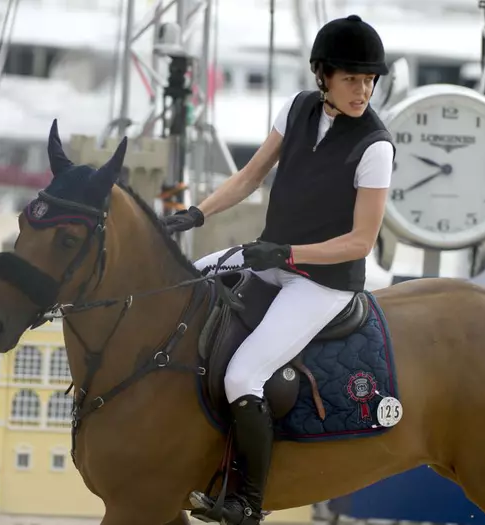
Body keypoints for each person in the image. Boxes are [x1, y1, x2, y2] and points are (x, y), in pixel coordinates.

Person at [159, 14, 396, 525]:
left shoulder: (375, 146)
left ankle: (248, 501)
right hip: (271, 259)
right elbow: (249, 176)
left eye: (370, 80)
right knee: (184, 285)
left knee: (246, 373)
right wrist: (198, 213)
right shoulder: (298, 108)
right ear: (323, 76)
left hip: (323, 284)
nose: (364, 90)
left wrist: (287, 255)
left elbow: (361, 242)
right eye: (352, 78)